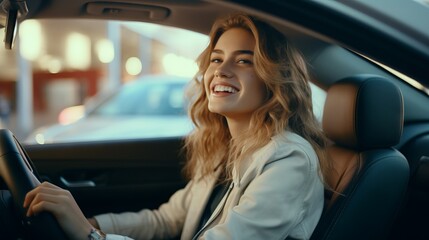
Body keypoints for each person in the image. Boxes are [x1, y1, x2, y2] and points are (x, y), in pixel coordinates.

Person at [23, 13, 330, 240]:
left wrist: (90, 236)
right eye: (216, 59)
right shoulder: (226, 150)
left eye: (244, 61)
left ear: (273, 79)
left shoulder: (290, 159)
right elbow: (166, 220)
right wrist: (92, 224)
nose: (221, 70)